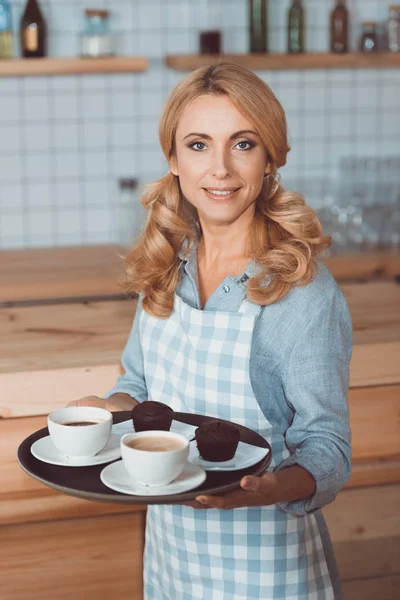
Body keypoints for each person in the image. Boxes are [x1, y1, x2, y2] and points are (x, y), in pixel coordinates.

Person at [68, 63, 352, 600]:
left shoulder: (301, 291)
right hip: (173, 559)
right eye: (198, 145)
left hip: (268, 570)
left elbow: (327, 449)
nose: (219, 169)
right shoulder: (167, 266)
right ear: (174, 160)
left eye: (242, 144)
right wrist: (107, 410)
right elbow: (140, 388)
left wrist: (266, 489)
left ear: (271, 158)